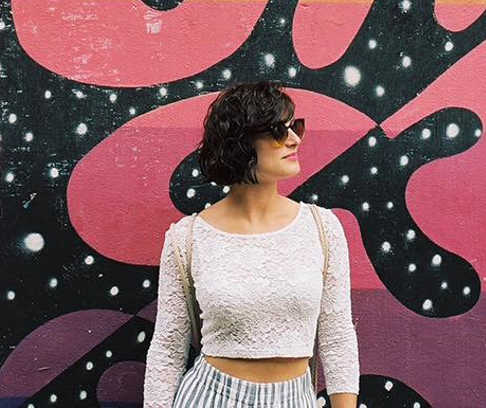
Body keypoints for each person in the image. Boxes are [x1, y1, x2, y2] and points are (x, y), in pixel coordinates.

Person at [143, 81, 360, 408]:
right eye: (279, 131)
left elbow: (338, 337)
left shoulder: (322, 228)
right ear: (241, 143)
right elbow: (168, 348)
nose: (294, 139)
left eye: (296, 127)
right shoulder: (188, 238)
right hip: (210, 398)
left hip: (295, 399)